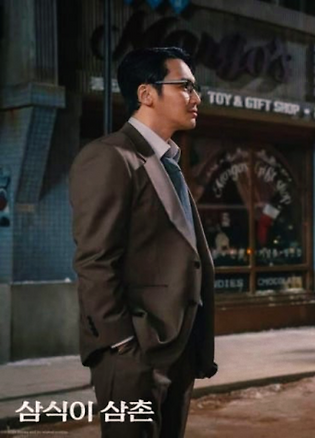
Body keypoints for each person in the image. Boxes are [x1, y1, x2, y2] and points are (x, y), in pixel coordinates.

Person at [69, 47, 217, 438]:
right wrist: (122, 345)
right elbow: (95, 261)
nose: (196, 98)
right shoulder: (110, 157)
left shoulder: (168, 163)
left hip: (178, 351)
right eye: (185, 86)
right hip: (134, 354)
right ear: (146, 93)